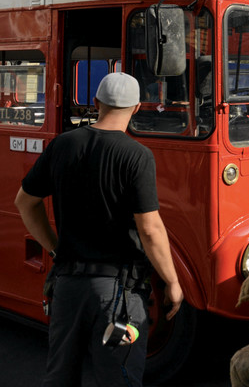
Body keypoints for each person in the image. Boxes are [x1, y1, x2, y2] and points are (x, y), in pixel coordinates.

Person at [14, 72, 182, 387]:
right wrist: (172, 282)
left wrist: (55, 249)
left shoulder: (63, 144)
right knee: (117, 376)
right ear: (136, 109)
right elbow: (150, 229)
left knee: (60, 376)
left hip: (67, 289)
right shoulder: (137, 156)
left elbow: (25, 203)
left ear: (96, 103)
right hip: (117, 296)